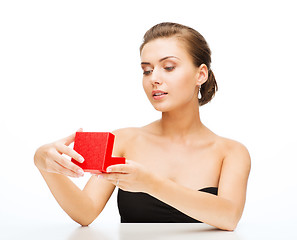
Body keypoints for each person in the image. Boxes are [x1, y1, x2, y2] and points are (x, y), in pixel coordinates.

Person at [34, 22, 251, 231]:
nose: (154, 79)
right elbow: (85, 211)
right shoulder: (123, 140)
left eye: (168, 67)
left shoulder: (231, 152)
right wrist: (43, 163)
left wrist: (150, 183)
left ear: (200, 74)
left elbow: (229, 217)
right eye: (147, 70)